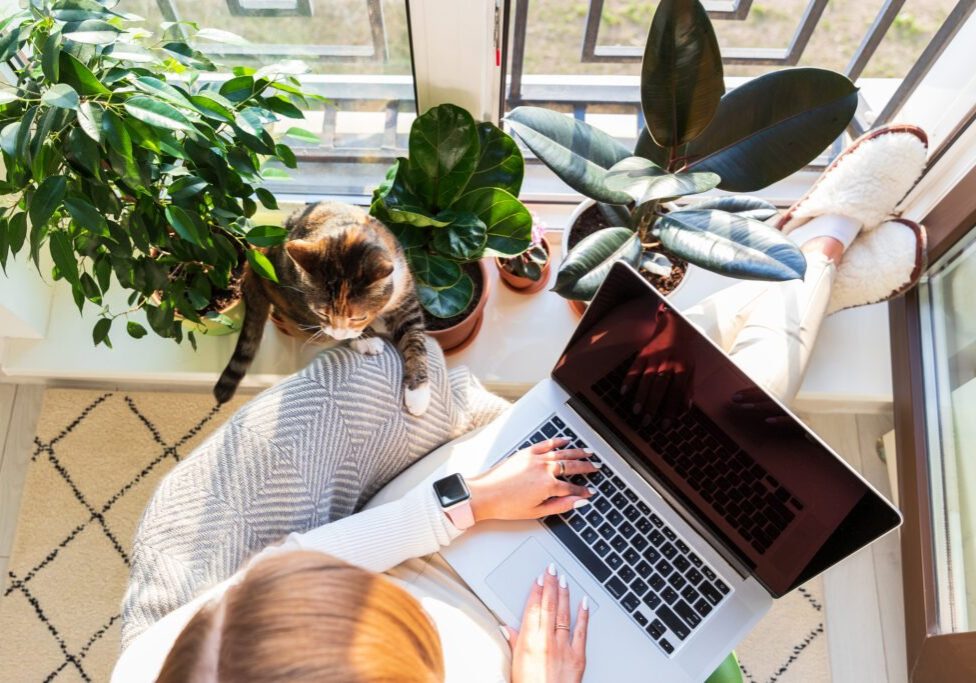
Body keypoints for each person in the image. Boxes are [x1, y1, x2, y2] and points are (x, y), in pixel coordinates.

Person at [113, 125, 928, 683]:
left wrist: (466, 505)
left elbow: (285, 560)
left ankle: (810, 257)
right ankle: (812, 256)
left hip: (433, 544)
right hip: (544, 652)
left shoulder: (177, 659)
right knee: (711, 442)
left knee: (656, 413)